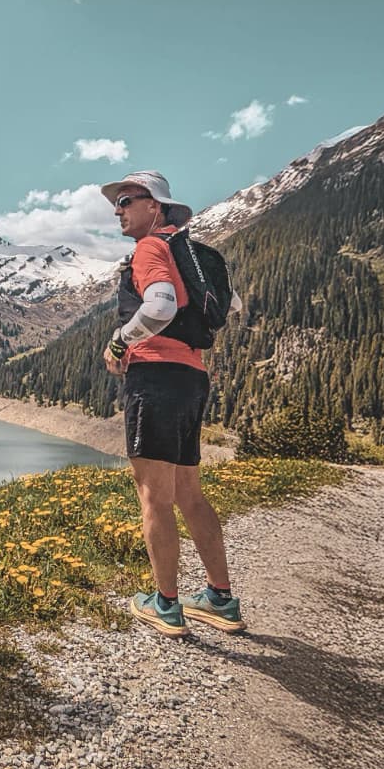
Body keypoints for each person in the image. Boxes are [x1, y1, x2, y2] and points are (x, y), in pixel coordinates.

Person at [99, 170, 245, 638]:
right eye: (116, 203)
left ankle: (165, 604)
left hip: (156, 381)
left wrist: (121, 342)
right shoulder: (188, 254)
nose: (118, 210)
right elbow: (231, 305)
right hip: (191, 378)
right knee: (188, 493)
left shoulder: (150, 249)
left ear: (154, 207)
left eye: (126, 200)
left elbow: (160, 306)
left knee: (153, 497)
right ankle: (220, 598)